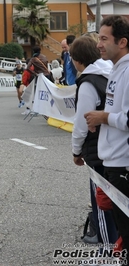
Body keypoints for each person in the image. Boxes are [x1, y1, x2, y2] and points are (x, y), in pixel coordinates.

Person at [85, 16, 129, 265]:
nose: (98, 44)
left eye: (104, 39)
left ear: (122, 42)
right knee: (124, 231)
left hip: (124, 165)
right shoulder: (117, 68)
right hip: (114, 162)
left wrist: (103, 117)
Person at [70, 35, 118, 252]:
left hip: (98, 150)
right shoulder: (113, 74)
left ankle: (107, 251)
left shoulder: (89, 83)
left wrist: (76, 151)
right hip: (117, 147)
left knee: (102, 203)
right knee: (118, 202)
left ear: (77, 60)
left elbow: (82, 123)